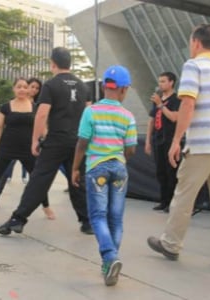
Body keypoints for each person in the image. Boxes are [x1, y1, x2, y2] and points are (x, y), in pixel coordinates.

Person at [147, 24, 210, 275]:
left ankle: (171, 244)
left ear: (196, 43)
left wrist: (176, 140)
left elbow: (188, 103)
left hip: (204, 143)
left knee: (184, 195)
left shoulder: (194, 66)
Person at [0, 47, 92, 235]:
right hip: (77, 141)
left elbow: (41, 115)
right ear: (70, 63)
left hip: (56, 140)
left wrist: (35, 140)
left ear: (53, 63)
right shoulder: (83, 86)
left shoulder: (51, 85)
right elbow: (89, 115)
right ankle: (87, 222)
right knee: (77, 180)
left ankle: (18, 219)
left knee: (40, 180)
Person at [72, 65, 137, 286]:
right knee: (115, 218)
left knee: (98, 216)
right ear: (125, 89)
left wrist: (75, 168)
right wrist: (120, 156)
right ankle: (110, 265)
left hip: (96, 168)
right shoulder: (128, 116)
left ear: (103, 86)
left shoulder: (90, 111)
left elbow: (82, 142)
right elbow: (131, 149)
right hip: (119, 169)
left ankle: (110, 257)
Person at [0, 78, 51, 223]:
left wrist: (49, 141)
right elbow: (0, 128)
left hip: (27, 149)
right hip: (7, 148)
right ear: (14, 89)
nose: (22, 90)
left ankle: (46, 207)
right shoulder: (6, 107)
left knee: (37, 179)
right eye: (19, 87)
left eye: (25, 87)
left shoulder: (35, 107)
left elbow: (42, 127)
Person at [145, 72, 181, 213]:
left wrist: (161, 105)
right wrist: (148, 140)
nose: (160, 84)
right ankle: (164, 200)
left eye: (163, 81)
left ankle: (173, 202)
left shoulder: (177, 99)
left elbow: (174, 117)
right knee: (160, 171)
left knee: (171, 171)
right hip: (158, 139)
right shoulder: (157, 100)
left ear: (171, 82)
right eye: (159, 81)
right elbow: (151, 120)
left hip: (170, 139)